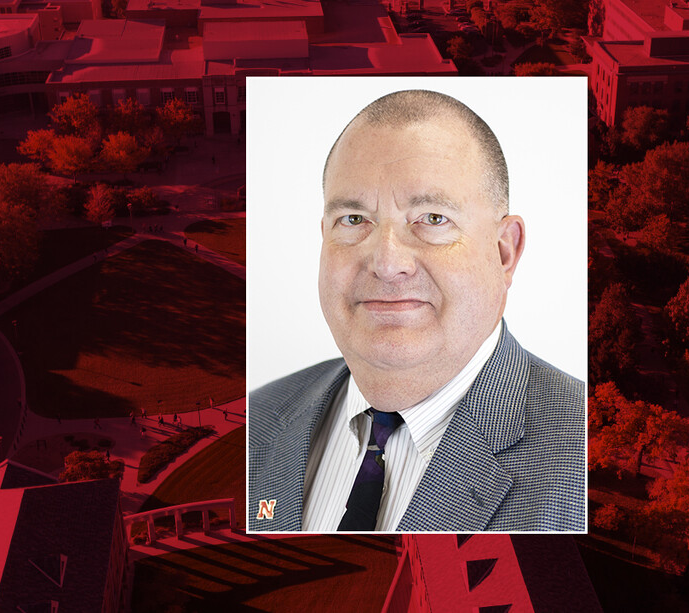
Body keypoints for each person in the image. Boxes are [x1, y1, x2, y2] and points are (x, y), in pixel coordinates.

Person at [248, 90, 584, 532]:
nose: (387, 264)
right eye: (353, 220)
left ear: (504, 252)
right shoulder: (260, 420)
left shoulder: (582, 459)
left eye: (432, 218)